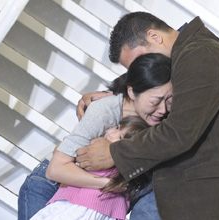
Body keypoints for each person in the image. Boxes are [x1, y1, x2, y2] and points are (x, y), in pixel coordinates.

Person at [75, 12, 219, 220]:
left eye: (139, 61)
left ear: (154, 36)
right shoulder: (191, 54)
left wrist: (114, 153)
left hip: (195, 201)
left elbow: (179, 131)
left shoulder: (199, 54)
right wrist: (116, 99)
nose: (142, 71)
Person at [17, 52, 172, 220]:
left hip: (94, 202)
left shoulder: (160, 120)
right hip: (51, 187)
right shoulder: (104, 111)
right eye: (155, 101)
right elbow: (55, 169)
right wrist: (110, 184)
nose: (163, 109)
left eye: (169, 101)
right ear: (132, 92)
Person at [31, 116, 151, 220]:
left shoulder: (130, 167)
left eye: (120, 138)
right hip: (75, 206)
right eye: (117, 128)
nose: (112, 134)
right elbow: (60, 151)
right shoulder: (95, 144)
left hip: (97, 210)